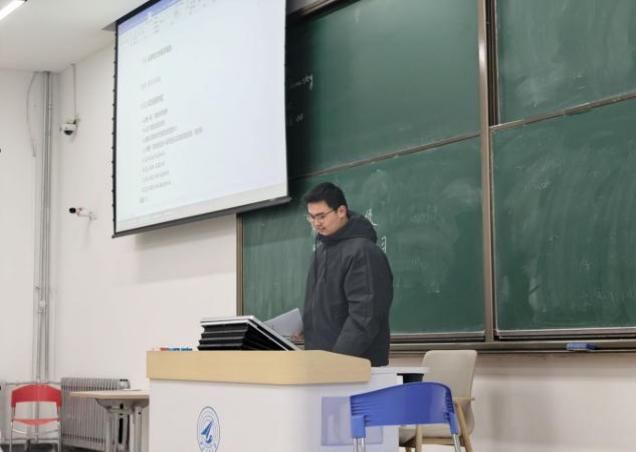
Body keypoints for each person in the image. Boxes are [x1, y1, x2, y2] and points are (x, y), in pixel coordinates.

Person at [302, 182, 393, 366]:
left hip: (356, 367)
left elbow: (364, 316)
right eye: (312, 217)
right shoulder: (320, 252)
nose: (316, 223)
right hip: (322, 364)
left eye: (321, 216)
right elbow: (327, 310)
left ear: (341, 211)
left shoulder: (363, 252)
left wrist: (336, 361)